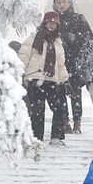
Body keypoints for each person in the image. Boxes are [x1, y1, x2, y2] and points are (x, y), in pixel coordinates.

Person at [18, 12, 70, 145]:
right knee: (37, 110)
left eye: (54, 23)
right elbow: (24, 56)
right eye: (49, 22)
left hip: (52, 79)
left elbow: (60, 64)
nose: (51, 25)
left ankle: (56, 138)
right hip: (35, 77)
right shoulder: (34, 37)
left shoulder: (58, 42)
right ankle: (37, 139)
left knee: (59, 107)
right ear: (44, 23)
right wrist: (19, 73)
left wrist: (65, 80)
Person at [53, 0, 92, 134]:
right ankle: (65, 122)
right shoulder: (53, 21)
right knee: (60, 93)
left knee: (75, 93)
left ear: (69, 3)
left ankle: (77, 123)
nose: (61, 5)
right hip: (58, 64)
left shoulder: (79, 18)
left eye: (64, 1)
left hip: (74, 63)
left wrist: (75, 38)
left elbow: (89, 38)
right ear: (55, 5)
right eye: (58, 3)